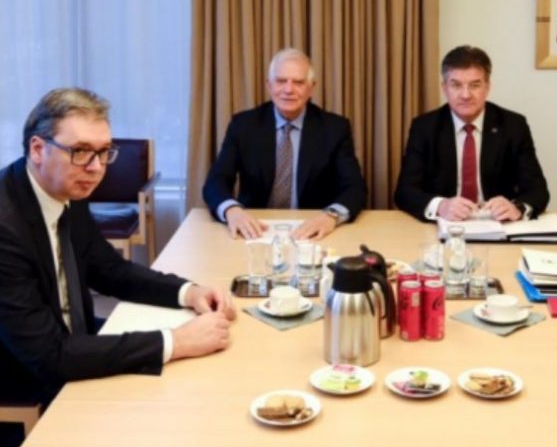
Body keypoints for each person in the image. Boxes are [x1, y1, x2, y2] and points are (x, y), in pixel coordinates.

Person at [0, 88, 236, 420]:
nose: (96, 168)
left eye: (103, 152)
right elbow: (48, 356)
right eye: (81, 151)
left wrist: (188, 291)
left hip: (70, 339)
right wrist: (175, 342)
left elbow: (109, 269)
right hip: (23, 371)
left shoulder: (66, 188)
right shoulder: (6, 225)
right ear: (38, 149)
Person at [202, 48, 367, 240]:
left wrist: (331, 216)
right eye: (281, 81)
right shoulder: (243, 125)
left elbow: (355, 187)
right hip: (255, 229)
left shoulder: (334, 128)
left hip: (312, 232)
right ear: (269, 85)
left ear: (311, 88)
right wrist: (231, 210)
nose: (288, 90)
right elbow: (216, 180)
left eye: (298, 82)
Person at [394, 45, 549, 222]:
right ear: (444, 88)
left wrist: (517, 207)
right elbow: (405, 192)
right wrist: (440, 206)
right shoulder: (424, 127)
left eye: (475, 85)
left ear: (487, 87)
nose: (466, 95)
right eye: (456, 85)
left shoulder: (513, 125)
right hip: (446, 225)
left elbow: (538, 191)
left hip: (498, 224)